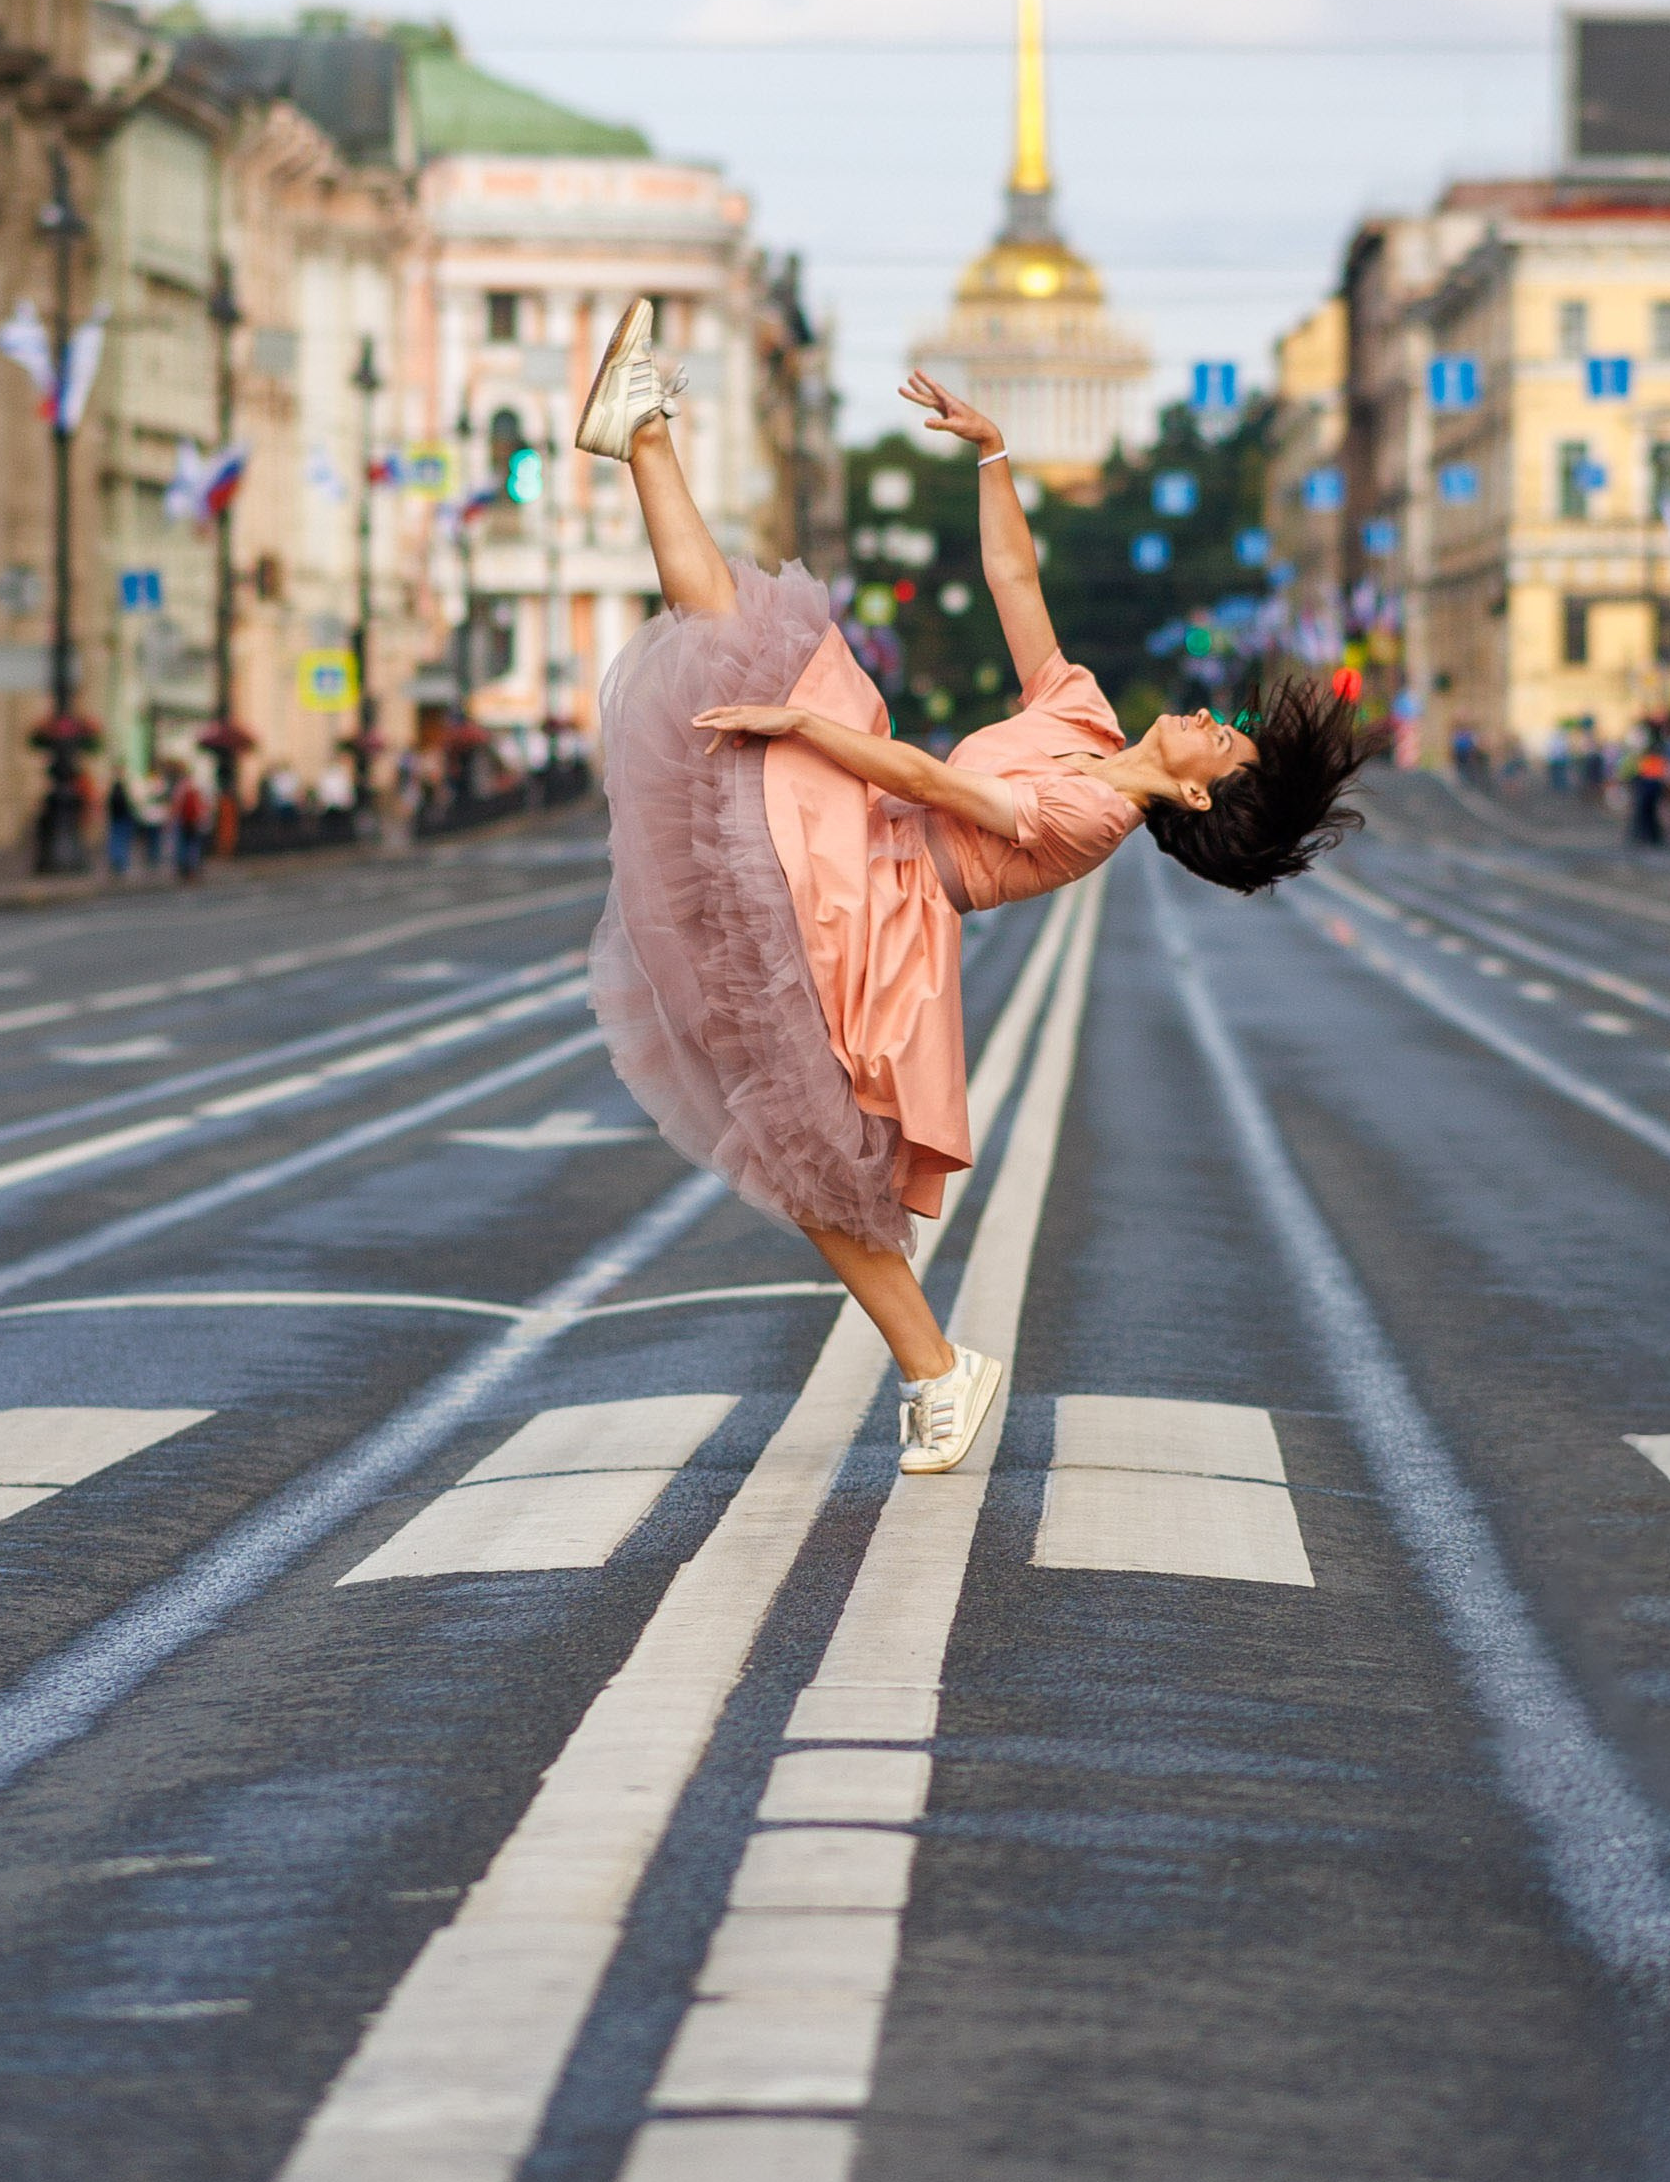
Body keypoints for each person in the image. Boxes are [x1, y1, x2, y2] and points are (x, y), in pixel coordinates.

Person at [575, 299, 1384, 1481]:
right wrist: (994, 455)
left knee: (810, 1154)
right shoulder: (1085, 716)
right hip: (866, 848)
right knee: (735, 631)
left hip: (885, 911)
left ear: (1197, 794)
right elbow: (1014, 580)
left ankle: (937, 1370)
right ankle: (644, 434)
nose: (1216, 717)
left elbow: (934, 785)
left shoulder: (1097, 817)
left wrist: (807, 728)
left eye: (1225, 743)